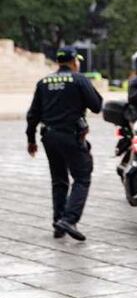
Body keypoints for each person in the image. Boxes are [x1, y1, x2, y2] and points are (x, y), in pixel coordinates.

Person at [25, 46, 103, 242]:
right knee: (82, 177)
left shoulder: (43, 82)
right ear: (74, 61)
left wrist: (31, 139)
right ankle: (69, 219)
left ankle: (58, 223)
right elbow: (97, 106)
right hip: (71, 136)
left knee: (59, 180)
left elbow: (33, 114)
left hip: (49, 137)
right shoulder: (79, 79)